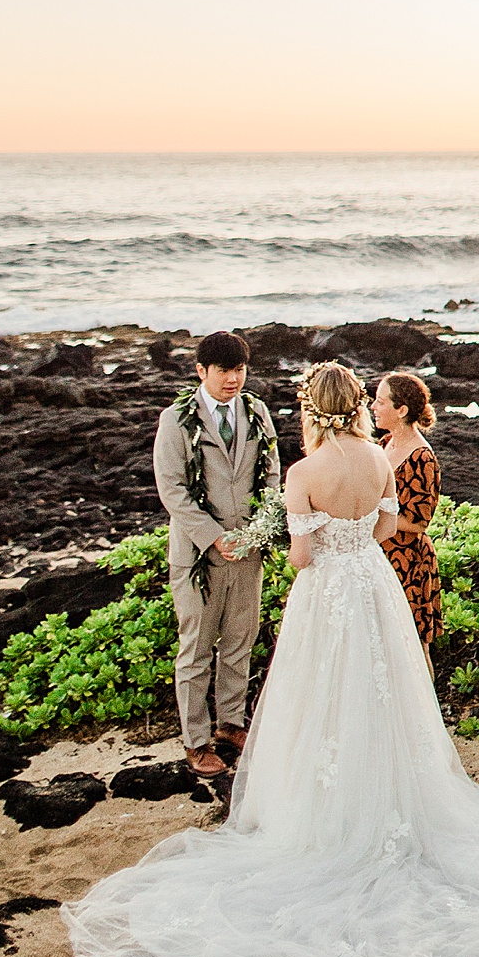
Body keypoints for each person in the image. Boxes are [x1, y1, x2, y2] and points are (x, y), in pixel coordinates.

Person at [63, 361, 479, 957]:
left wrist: (320, 549)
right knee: (383, 696)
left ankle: (316, 813)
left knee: (320, 702)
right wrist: (353, 552)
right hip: (372, 586)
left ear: (311, 410)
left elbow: (300, 556)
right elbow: (386, 528)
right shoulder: (379, 459)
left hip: (327, 593)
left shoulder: (302, 473)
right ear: (356, 407)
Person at [152, 329, 279, 780]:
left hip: (248, 550)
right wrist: (213, 536)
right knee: (197, 649)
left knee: (241, 641)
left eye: (240, 370)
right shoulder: (176, 420)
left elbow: (271, 476)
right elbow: (172, 489)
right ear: (201, 371)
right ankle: (196, 740)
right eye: (224, 371)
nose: (233, 379)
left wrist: (258, 531)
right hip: (198, 556)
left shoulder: (257, 410)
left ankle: (230, 725)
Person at [374, 369, 443, 670]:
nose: (373, 408)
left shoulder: (421, 458)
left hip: (408, 562)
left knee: (413, 649)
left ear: (400, 410)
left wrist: (371, 512)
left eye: (380, 402)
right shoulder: (385, 443)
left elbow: (419, 522)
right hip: (380, 555)